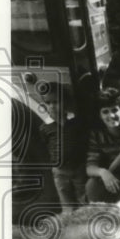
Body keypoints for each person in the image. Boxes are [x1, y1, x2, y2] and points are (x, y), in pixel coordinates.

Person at [37, 81, 86, 212]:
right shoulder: (45, 127)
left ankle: (86, 226)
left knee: (83, 200)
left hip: (78, 169)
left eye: (56, 102)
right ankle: (70, 228)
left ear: (65, 102)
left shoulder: (75, 122)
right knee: (67, 204)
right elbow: (45, 146)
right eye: (48, 103)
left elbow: (82, 143)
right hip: (60, 172)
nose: (52, 106)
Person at [84, 88, 120, 203]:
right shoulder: (97, 135)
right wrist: (103, 172)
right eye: (105, 112)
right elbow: (90, 167)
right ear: (99, 115)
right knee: (92, 185)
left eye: (115, 110)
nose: (111, 115)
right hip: (115, 178)